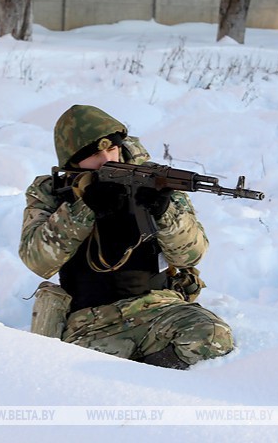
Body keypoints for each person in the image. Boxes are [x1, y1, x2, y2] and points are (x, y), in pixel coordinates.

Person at [19, 104, 234, 369]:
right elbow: (36, 260)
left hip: (158, 308)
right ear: (73, 161)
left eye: (112, 148)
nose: (108, 160)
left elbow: (191, 255)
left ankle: (149, 379)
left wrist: (164, 212)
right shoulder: (51, 192)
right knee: (79, 373)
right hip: (89, 323)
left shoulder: (154, 180)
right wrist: (84, 208)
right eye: (95, 155)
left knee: (213, 337)